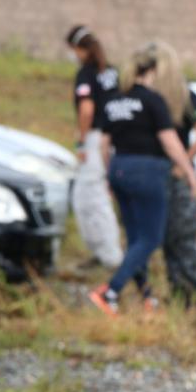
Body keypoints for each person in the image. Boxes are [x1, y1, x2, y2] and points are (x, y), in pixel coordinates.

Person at [89, 41, 196, 316]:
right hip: (148, 170)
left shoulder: (114, 99)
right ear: (151, 71)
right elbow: (170, 141)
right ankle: (110, 291)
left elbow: (104, 143)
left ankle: (146, 296)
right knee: (150, 238)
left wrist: (109, 174)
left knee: (135, 237)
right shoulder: (152, 100)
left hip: (119, 168)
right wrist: (188, 171)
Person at [148, 42, 196, 318]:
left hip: (179, 176)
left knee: (185, 240)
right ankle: (179, 297)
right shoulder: (152, 98)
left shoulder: (188, 97)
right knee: (166, 240)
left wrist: (183, 163)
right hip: (158, 173)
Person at [66, 25, 123, 268]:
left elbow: (86, 109)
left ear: (79, 49)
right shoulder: (111, 72)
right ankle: (100, 250)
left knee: (95, 196)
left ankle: (111, 255)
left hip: (97, 138)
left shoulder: (87, 73)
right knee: (83, 196)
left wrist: (81, 139)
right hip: (114, 137)